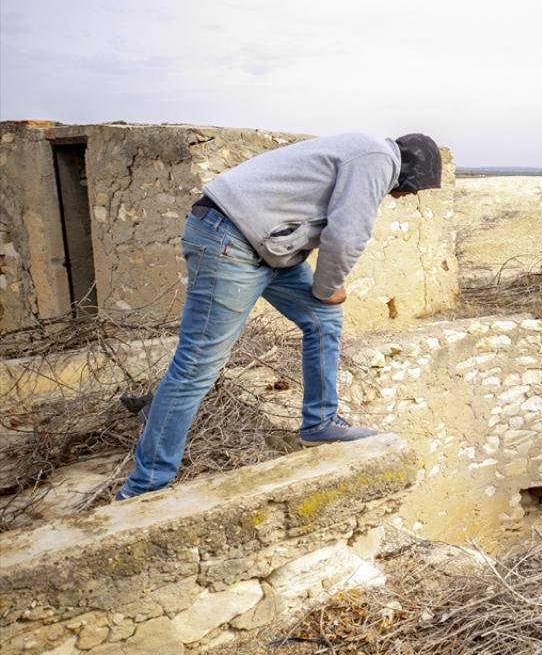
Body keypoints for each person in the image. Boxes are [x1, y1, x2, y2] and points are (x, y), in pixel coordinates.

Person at [116, 132, 442, 499]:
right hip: (231, 239)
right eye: (415, 189)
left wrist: (322, 296)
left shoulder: (368, 152)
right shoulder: (380, 158)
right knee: (198, 364)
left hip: (267, 244)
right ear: (411, 170)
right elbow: (347, 233)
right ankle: (144, 489)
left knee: (323, 320)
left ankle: (319, 423)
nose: (408, 196)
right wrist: (327, 286)